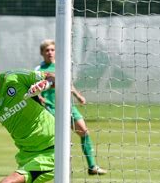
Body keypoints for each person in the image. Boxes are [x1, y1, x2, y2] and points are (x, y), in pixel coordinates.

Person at [35, 39, 107, 175]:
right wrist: (39, 97)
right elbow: (34, 88)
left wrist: (78, 96)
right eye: (47, 50)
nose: (50, 52)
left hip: (68, 107)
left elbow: (68, 84)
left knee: (84, 132)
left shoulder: (61, 66)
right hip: (51, 108)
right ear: (42, 53)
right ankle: (49, 167)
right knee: (55, 139)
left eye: (52, 50)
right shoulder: (39, 70)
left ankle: (92, 166)